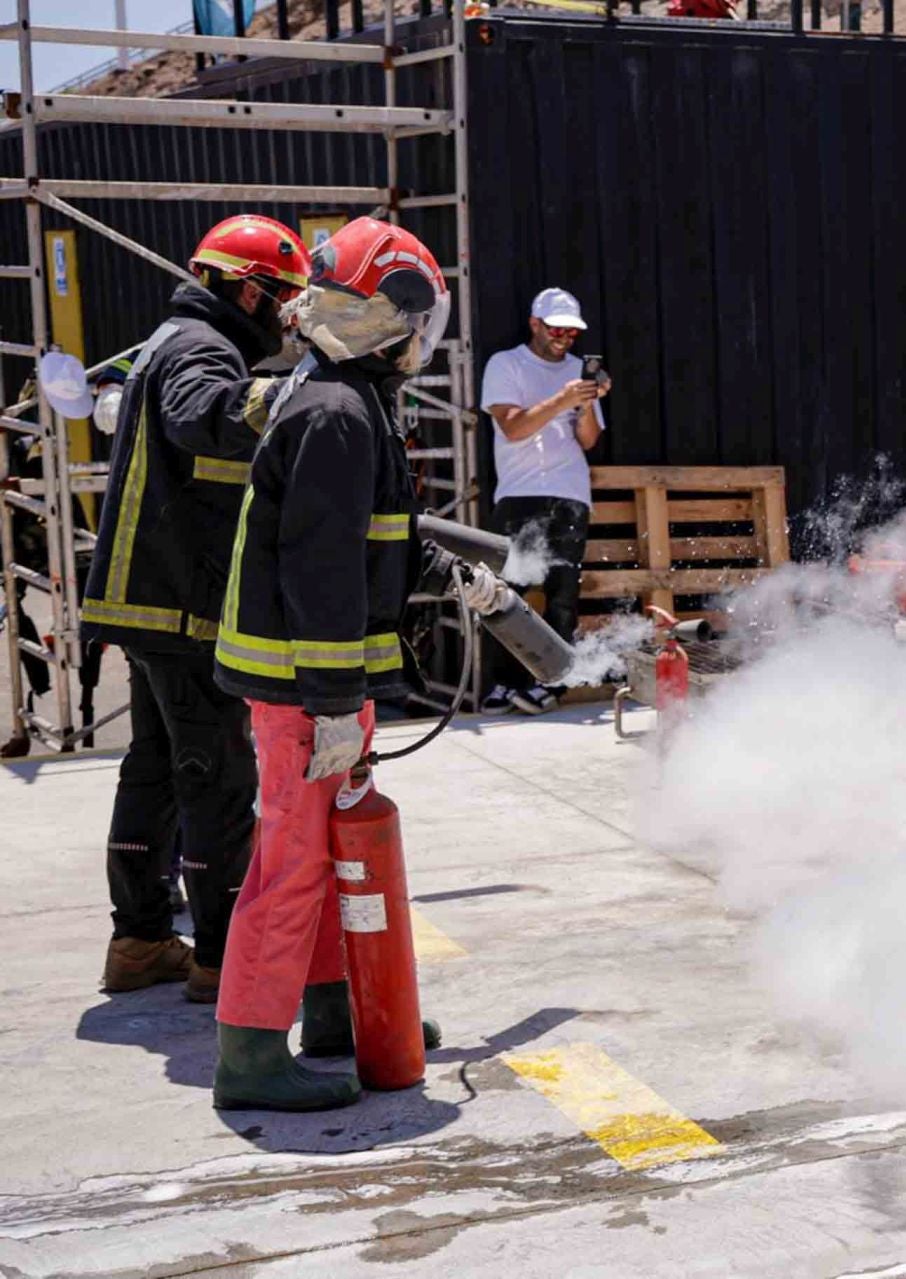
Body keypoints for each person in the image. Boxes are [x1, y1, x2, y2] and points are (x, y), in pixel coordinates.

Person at [210, 217, 508, 1112]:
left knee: (333, 850)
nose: (422, 339)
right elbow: (321, 569)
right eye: (415, 320)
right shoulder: (339, 410)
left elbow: (370, 539)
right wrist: (337, 702)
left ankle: (335, 1009)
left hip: (321, 688)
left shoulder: (346, 393)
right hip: (307, 691)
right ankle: (251, 1050)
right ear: (389, 314)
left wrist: (441, 569)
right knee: (294, 861)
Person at [80, 215, 310, 1001]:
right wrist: (297, 398)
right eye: (283, 303)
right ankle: (220, 954)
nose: (286, 320)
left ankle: (140, 939)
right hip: (180, 604)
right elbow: (202, 412)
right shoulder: (200, 350)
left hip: (148, 599)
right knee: (216, 778)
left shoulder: (169, 335)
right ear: (248, 289)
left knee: (156, 768)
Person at [477, 287, 610, 715]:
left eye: (571, 333)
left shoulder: (577, 373)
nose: (564, 338)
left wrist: (586, 405)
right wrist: (563, 399)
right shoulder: (506, 364)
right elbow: (513, 428)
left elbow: (587, 440)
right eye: (556, 329)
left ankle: (552, 683)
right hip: (518, 490)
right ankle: (503, 683)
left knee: (562, 593)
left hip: (569, 491)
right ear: (535, 323)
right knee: (505, 590)